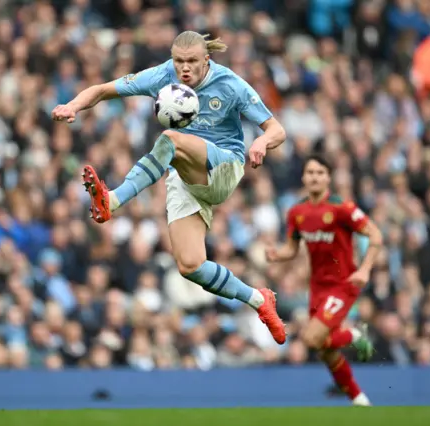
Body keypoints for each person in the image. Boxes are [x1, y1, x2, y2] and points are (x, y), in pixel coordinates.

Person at [51, 31, 288, 344]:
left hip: (225, 165)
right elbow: (102, 89)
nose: (184, 68)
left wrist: (260, 141)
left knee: (169, 140)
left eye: (192, 61)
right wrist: (73, 106)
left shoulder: (230, 84)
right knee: (190, 265)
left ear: (207, 59)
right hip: (185, 174)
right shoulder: (162, 74)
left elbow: (277, 129)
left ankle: (113, 200)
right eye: (179, 61)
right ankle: (258, 299)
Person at [265, 154, 382, 406]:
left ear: (328, 178)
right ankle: (359, 400)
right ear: (303, 177)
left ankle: (354, 335)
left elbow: (376, 235)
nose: (314, 177)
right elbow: (292, 248)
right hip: (317, 287)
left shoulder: (343, 208)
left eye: (320, 172)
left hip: (344, 284)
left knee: (310, 338)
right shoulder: (297, 212)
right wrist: (277, 254)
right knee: (324, 350)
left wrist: (365, 269)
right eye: (310, 172)